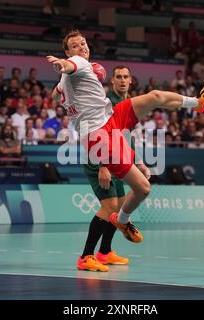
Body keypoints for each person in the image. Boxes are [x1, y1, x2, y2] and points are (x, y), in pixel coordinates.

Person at [46, 30, 204, 271]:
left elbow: (56, 94)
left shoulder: (71, 78)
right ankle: (120, 224)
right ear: (68, 52)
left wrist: (62, 91)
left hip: (111, 118)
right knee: (143, 189)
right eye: (75, 46)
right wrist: (60, 65)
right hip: (100, 137)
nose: (81, 47)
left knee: (155, 96)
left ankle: (196, 103)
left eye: (83, 43)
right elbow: (68, 66)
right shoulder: (79, 63)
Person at [79, 65, 150, 271]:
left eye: (125, 77)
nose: (121, 80)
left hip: (119, 160)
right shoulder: (106, 103)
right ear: (112, 80)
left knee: (118, 207)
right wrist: (103, 166)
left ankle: (105, 252)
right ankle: (86, 256)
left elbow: (125, 138)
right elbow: (97, 132)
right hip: (100, 160)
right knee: (109, 207)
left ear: (130, 80)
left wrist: (138, 162)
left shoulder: (129, 103)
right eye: (118, 76)